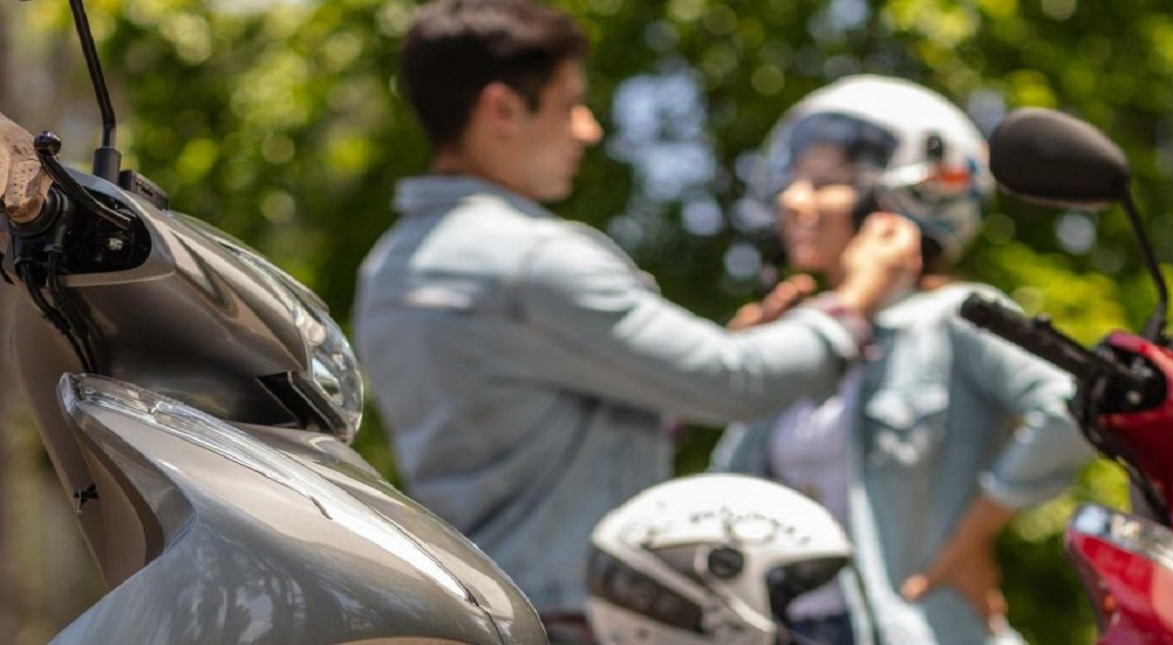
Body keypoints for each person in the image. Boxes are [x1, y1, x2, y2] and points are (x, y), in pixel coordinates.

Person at [351, 2, 923, 641]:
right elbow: (736, 383)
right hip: (574, 618)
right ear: (502, 110)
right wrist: (855, 303)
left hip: (474, 609)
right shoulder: (535, 260)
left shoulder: (390, 266)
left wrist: (701, 366)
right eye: (571, 105)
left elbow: (533, 430)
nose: (589, 130)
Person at [711, 75, 1095, 645]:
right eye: (793, 182)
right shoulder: (798, 335)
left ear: (898, 201)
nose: (793, 201)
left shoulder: (955, 318)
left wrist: (974, 538)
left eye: (824, 184)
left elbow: (1073, 403)